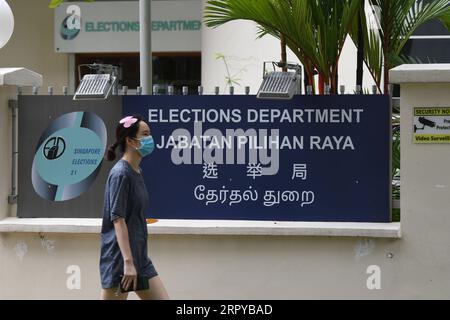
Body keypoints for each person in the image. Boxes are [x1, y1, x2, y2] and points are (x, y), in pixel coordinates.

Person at [99, 114, 169, 300]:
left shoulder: (137, 172)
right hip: (120, 261)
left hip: (140, 259)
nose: (150, 138)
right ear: (130, 140)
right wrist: (128, 263)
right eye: (145, 134)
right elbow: (118, 220)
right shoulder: (121, 174)